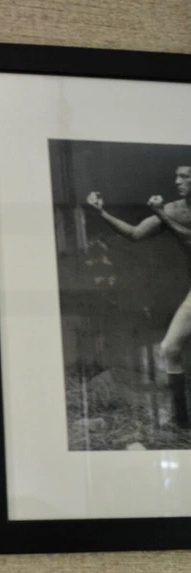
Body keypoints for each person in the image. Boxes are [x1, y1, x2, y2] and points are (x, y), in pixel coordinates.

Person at [85, 165, 191, 428]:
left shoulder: (167, 213)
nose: (177, 181)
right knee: (170, 348)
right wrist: (101, 213)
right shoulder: (173, 209)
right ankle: (182, 425)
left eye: (185, 176)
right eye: (176, 175)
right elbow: (134, 234)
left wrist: (159, 213)